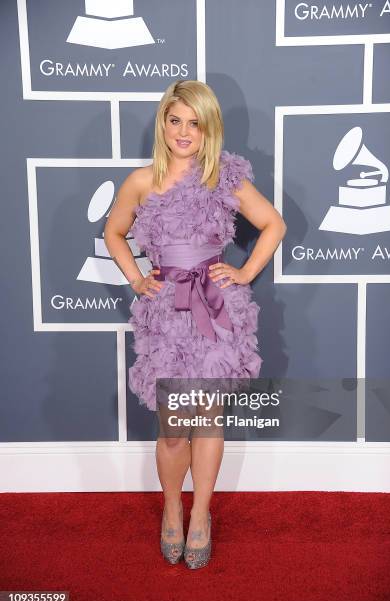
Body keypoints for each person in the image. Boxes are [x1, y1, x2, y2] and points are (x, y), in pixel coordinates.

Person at [104, 79, 286, 569]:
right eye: (175, 119)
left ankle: (200, 515)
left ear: (210, 131)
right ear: (163, 122)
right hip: (165, 314)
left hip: (217, 308)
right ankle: (170, 510)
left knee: (206, 422)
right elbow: (113, 232)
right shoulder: (141, 181)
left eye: (195, 123)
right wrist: (137, 277)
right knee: (172, 429)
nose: (184, 131)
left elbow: (274, 223)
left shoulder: (223, 177)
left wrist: (245, 272)